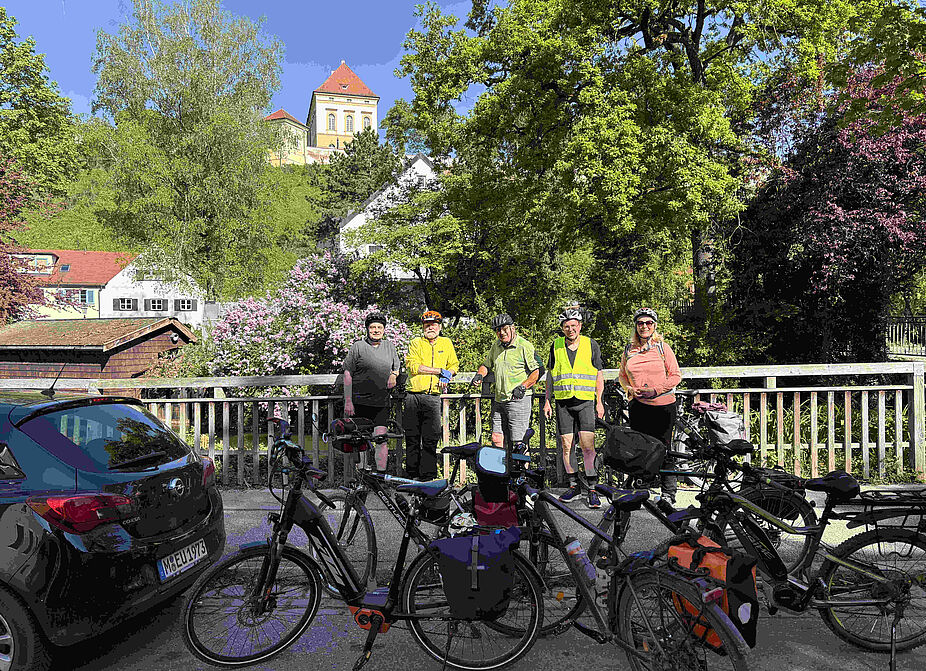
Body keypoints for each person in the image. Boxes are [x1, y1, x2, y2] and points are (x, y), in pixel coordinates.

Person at [618, 307, 683, 504]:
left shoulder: (663, 348)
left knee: (664, 449)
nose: (644, 326)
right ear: (636, 326)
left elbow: (676, 375)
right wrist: (629, 388)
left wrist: (656, 390)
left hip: (662, 405)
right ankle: (642, 489)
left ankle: (668, 493)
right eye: (640, 323)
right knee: (640, 449)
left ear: (654, 326)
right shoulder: (629, 350)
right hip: (638, 406)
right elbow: (622, 375)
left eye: (648, 323)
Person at [543, 307, 606, 509]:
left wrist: (599, 401)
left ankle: (592, 488)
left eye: (573, 326)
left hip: (585, 401)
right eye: (566, 326)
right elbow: (550, 376)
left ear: (579, 326)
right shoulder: (556, 345)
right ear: (562, 328)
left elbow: (598, 374)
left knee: (588, 446)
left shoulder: (590, 344)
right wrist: (547, 400)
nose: (570, 329)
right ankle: (573, 484)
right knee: (567, 446)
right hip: (563, 402)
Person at [471, 313, 541, 449]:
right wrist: (479, 375)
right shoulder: (496, 346)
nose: (502, 333)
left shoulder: (524, 346)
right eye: (498, 330)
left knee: (519, 442)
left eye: (504, 329)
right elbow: (486, 365)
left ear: (512, 328)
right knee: (496, 438)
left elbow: (536, 372)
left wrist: (523, 387)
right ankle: (502, 469)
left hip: (518, 399)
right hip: (499, 399)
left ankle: (522, 470)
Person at [403, 309, 459, 480]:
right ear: (423, 327)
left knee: (431, 439)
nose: (430, 327)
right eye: (427, 324)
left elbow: (454, 364)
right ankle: (411, 476)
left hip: (433, 397)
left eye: (434, 324)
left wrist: (448, 373)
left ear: (440, 327)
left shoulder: (446, 343)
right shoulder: (415, 342)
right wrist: (440, 371)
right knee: (412, 439)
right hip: (413, 396)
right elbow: (414, 366)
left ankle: (428, 477)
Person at [343, 311, 400, 471]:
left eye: (379, 327)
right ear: (367, 329)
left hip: (381, 402)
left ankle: (380, 476)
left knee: (381, 439)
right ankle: (362, 476)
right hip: (359, 402)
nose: (376, 330)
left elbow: (397, 367)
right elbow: (347, 373)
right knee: (360, 440)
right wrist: (348, 401)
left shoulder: (389, 346)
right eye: (372, 327)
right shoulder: (358, 347)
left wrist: (394, 375)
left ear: (384, 329)